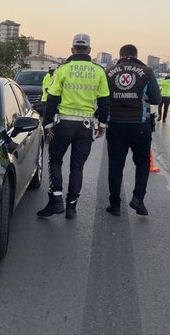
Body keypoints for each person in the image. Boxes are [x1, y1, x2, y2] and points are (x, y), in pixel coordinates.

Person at [37, 33, 110, 220]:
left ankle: (56, 199)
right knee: (77, 167)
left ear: (72, 49)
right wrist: (102, 124)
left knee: (55, 160)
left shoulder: (63, 69)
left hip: (64, 124)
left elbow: (52, 98)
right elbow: (104, 101)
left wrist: (47, 124)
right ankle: (71, 207)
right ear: (90, 50)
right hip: (86, 126)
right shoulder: (98, 71)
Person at [104, 44, 161, 216]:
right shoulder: (147, 72)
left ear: (120, 55)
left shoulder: (108, 72)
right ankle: (138, 199)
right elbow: (157, 99)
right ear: (136, 55)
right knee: (143, 163)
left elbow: (102, 97)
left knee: (115, 165)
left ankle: (114, 205)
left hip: (115, 124)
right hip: (140, 125)